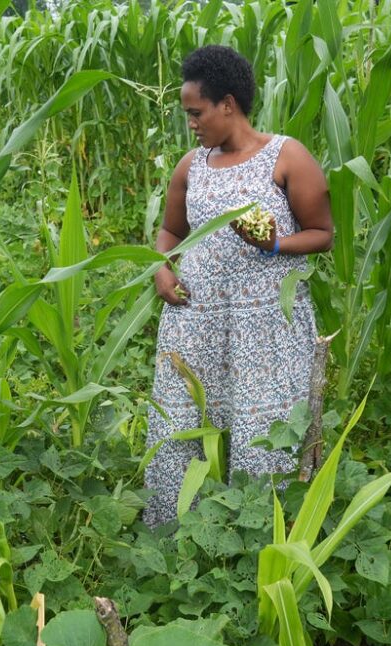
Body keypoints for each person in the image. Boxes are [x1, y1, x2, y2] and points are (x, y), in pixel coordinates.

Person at [143, 45, 334, 528]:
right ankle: (171, 533)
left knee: (261, 430)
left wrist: (274, 243)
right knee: (180, 422)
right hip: (196, 319)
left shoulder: (286, 156)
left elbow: (323, 235)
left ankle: (260, 538)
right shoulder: (192, 166)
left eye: (196, 112)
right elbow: (170, 233)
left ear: (228, 104)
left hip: (264, 324)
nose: (191, 123)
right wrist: (162, 268)